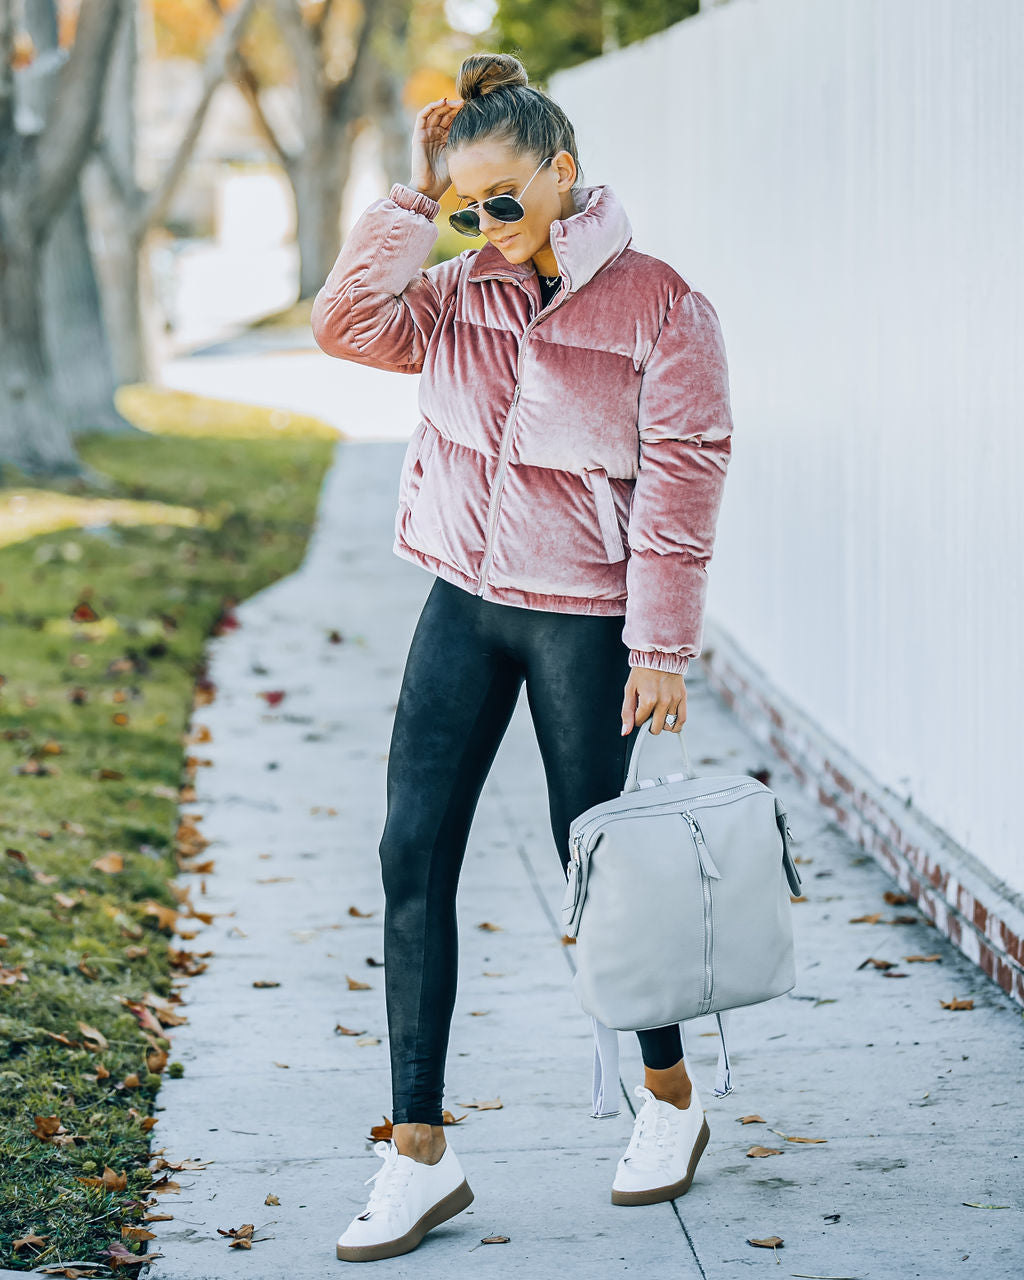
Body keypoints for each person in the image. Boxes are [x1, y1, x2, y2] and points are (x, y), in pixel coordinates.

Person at [311, 51, 734, 1264]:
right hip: (463, 597)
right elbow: (344, 323)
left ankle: (666, 1097)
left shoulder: (661, 304)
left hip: (581, 619)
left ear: (563, 176)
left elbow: (683, 484)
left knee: (594, 861)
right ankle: (416, 1153)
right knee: (409, 851)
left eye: (506, 201)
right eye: (465, 207)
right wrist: (408, 198)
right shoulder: (453, 292)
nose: (487, 229)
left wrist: (659, 643)